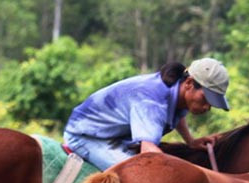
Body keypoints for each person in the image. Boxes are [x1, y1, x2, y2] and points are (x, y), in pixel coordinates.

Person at [62, 57, 230, 171]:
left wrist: (191, 142)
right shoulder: (152, 99)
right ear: (189, 83)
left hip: (115, 138)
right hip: (87, 137)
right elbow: (148, 151)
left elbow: (177, 115)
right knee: (138, 176)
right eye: (206, 98)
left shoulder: (180, 94)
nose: (208, 107)